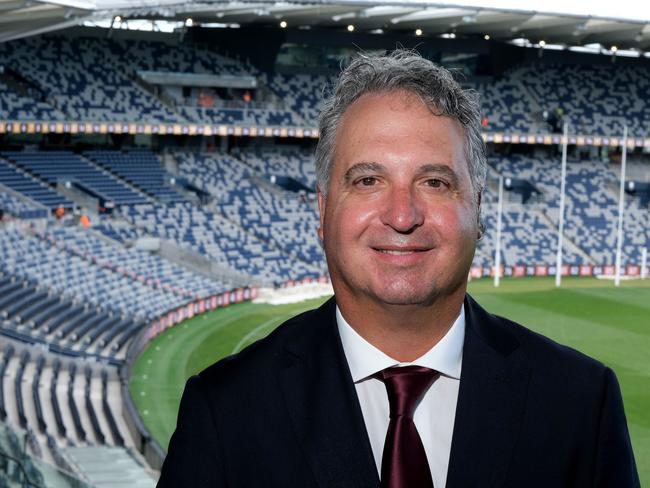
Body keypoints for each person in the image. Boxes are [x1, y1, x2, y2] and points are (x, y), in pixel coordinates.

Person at [158, 50, 639, 487]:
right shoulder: (225, 411)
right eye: (368, 180)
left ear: (478, 207)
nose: (403, 216)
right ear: (322, 213)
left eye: (434, 181)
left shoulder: (579, 403)